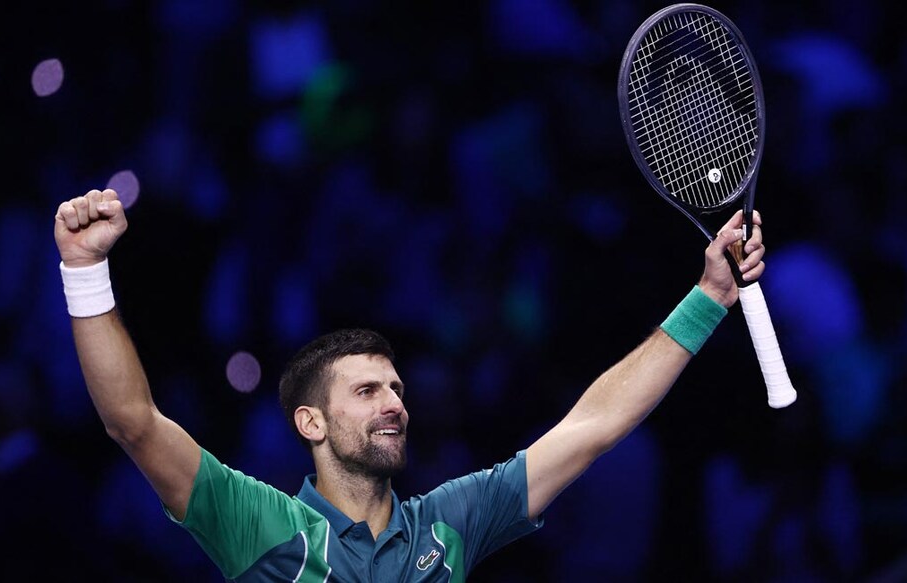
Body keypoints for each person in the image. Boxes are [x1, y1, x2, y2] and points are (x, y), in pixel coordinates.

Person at [53, 188, 766, 582]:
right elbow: (133, 421)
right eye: (365, 391)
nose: (394, 401)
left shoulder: (449, 523)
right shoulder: (258, 523)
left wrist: (706, 295)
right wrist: (85, 272)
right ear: (310, 422)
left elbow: (593, 425)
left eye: (394, 387)